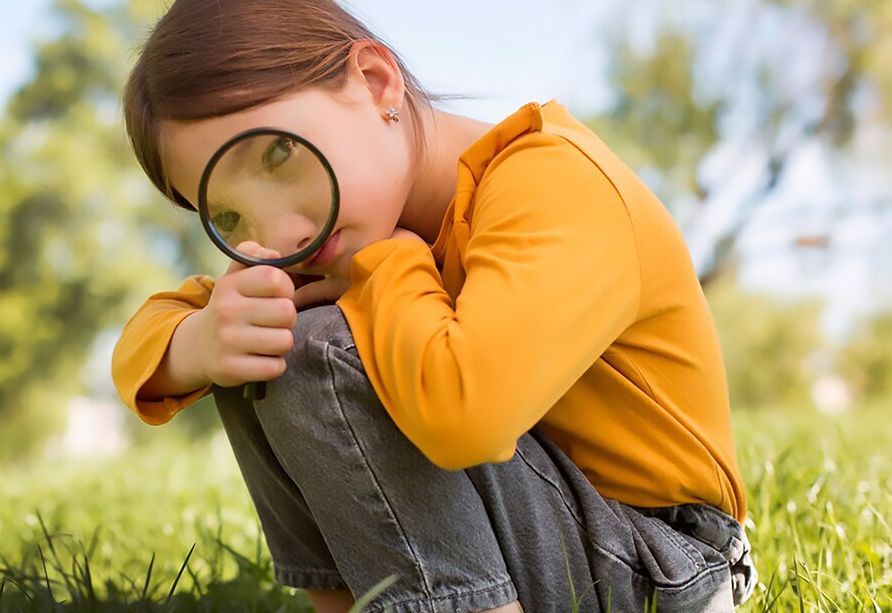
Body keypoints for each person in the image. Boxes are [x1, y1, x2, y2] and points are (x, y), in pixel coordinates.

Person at [111, 0, 757, 611]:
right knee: (258, 334)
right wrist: (201, 341)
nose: (280, 234)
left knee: (315, 347)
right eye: (227, 213)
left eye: (280, 154)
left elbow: (466, 415)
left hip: (660, 562)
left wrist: (388, 261)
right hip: (559, 541)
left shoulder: (552, 181)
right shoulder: (315, 238)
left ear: (375, 81)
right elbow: (149, 332)